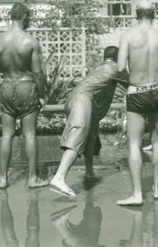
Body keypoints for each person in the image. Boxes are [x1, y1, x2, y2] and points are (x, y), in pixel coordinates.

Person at [117, 0, 158, 206]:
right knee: (157, 140)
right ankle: (157, 189)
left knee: (134, 143)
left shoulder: (128, 36)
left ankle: (137, 194)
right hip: (157, 91)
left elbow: (121, 67)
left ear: (136, 14)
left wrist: (131, 82)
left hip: (137, 92)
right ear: (155, 14)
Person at [0, 2, 48, 189]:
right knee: (29, 134)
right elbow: (38, 73)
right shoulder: (30, 41)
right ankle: (32, 178)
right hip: (26, 87)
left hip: (7, 86)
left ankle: (3, 178)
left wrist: (7, 69)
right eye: (29, 17)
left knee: (7, 134)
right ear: (23, 17)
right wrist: (42, 94)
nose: (29, 20)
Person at [50, 46, 121, 197]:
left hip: (75, 99)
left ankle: (89, 173)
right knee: (78, 134)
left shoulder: (99, 68)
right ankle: (59, 177)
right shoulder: (116, 67)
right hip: (82, 101)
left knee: (90, 137)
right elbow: (135, 84)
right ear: (119, 57)